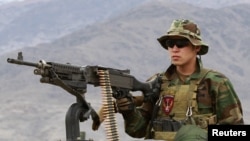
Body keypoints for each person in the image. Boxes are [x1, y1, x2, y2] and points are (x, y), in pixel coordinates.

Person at [114, 19, 244, 141]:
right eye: (170, 44)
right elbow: (137, 131)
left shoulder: (215, 82)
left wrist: (198, 134)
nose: (175, 49)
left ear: (196, 47)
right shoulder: (157, 83)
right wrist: (129, 111)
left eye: (182, 43)